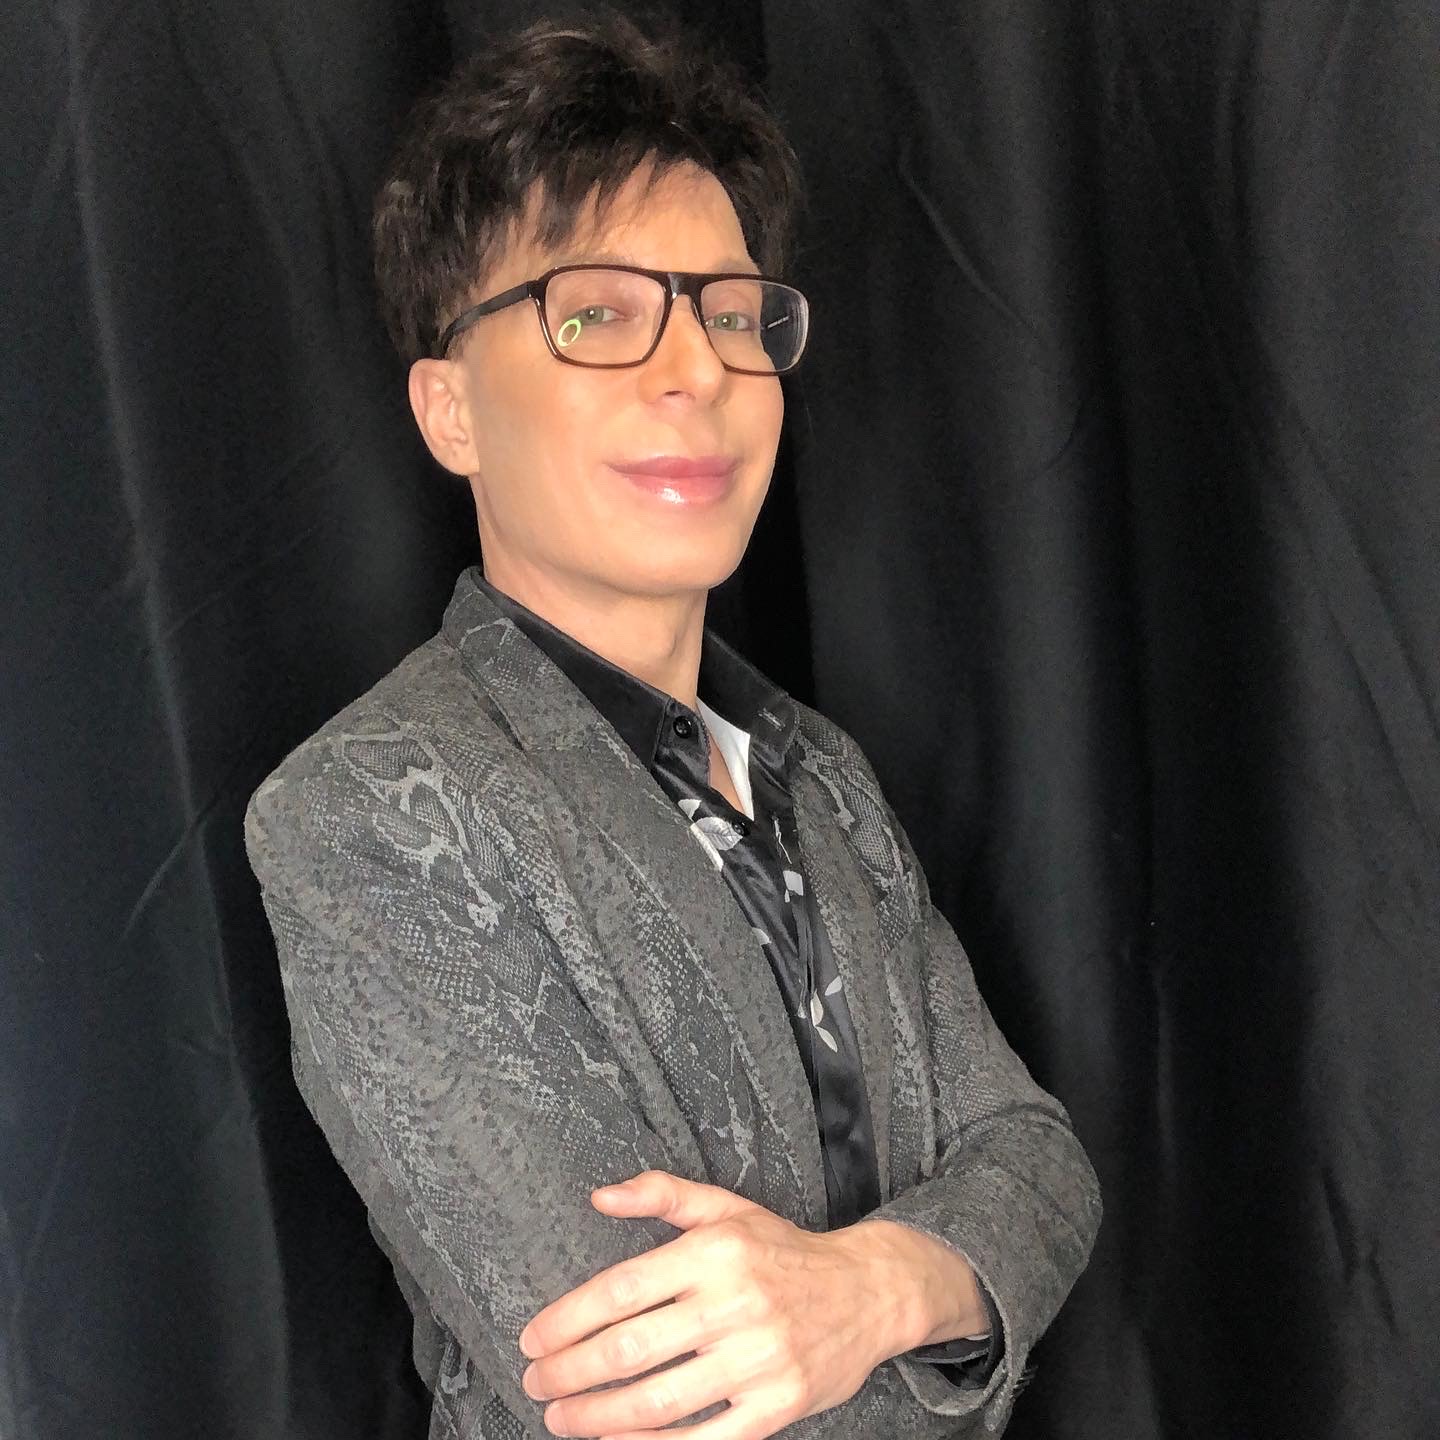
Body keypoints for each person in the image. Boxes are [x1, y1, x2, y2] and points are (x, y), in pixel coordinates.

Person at [243, 10, 1101, 1439]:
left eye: (730, 312)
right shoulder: (370, 813)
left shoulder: (819, 773)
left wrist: (873, 1289)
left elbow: (1040, 1160)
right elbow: (646, 1385)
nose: (696, 368)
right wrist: (952, 1276)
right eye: (596, 312)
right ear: (450, 413)